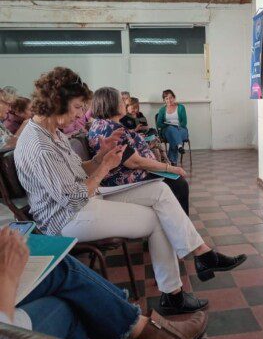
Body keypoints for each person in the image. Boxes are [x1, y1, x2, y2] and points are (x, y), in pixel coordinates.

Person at [14, 68, 246, 317]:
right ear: (57, 102)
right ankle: (175, 293)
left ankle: (202, 255)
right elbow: (73, 199)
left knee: (160, 190)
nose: (82, 114)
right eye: (78, 107)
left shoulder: (51, 131)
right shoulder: (40, 146)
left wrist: (101, 156)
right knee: (159, 218)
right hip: (66, 219)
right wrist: (104, 166)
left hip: (84, 200)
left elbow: (78, 170)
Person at [0, 226, 207, 339]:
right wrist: (7, 275)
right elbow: (73, 198)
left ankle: (148, 329)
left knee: (162, 196)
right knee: (65, 296)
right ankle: (147, 329)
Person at [88, 87, 190, 215]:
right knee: (179, 183)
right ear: (112, 103)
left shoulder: (103, 124)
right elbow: (135, 162)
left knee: (176, 180)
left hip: (133, 173)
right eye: (121, 100)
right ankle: (179, 222)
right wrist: (170, 168)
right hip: (129, 179)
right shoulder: (110, 129)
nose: (124, 103)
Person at [156, 90, 189, 165]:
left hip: (181, 129)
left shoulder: (181, 107)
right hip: (167, 130)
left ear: (174, 98)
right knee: (171, 129)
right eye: (166, 98)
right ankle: (179, 146)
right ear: (164, 100)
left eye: (171, 98)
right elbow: (159, 124)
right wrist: (168, 125)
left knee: (173, 136)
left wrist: (177, 126)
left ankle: (172, 161)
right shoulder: (162, 110)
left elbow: (184, 122)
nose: (169, 100)